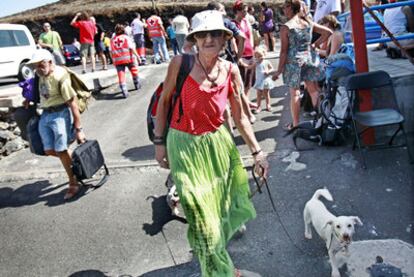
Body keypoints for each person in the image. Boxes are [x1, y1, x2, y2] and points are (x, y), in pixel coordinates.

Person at [154, 10, 268, 277]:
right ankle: (221, 271)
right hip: (183, 145)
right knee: (199, 214)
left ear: (225, 38)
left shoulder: (230, 70)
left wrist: (258, 152)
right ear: (193, 38)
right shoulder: (179, 64)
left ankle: (215, 263)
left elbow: (239, 117)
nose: (209, 39)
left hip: (218, 145)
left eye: (215, 33)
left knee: (217, 211)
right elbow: (164, 102)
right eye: (202, 34)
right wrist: (159, 143)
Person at [26, 49, 85, 200]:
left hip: (60, 114)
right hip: (45, 114)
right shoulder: (40, 75)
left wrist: (79, 129)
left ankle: (74, 183)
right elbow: (38, 92)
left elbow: (73, 103)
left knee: (60, 150)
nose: (37, 69)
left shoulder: (61, 76)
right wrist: (28, 98)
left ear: (50, 62)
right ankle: (76, 158)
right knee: (49, 150)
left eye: (40, 65)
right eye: (35, 66)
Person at [272, 0, 332, 130]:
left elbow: (283, 52)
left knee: (295, 94)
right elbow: (328, 32)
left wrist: (278, 71)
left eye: (285, 7)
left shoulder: (286, 27)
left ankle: (296, 124)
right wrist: (315, 45)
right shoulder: (308, 23)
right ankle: (322, 120)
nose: (283, 10)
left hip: (294, 63)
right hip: (309, 59)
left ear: (290, 8)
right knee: (313, 90)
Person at [110, 24, 141, 98]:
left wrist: (113, 60)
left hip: (118, 60)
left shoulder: (112, 40)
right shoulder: (126, 38)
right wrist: (138, 56)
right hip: (128, 58)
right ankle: (137, 84)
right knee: (134, 71)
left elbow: (110, 51)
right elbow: (131, 48)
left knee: (121, 75)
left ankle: (124, 90)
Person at [251, 47, 275, 113]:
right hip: (259, 80)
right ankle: (258, 107)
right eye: (257, 57)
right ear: (255, 57)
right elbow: (251, 68)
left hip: (266, 80)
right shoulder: (256, 63)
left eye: (261, 56)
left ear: (264, 55)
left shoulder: (267, 62)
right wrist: (244, 64)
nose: (259, 58)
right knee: (259, 94)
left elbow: (272, 69)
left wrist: (268, 71)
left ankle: (268, 105)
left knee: (266, 94)